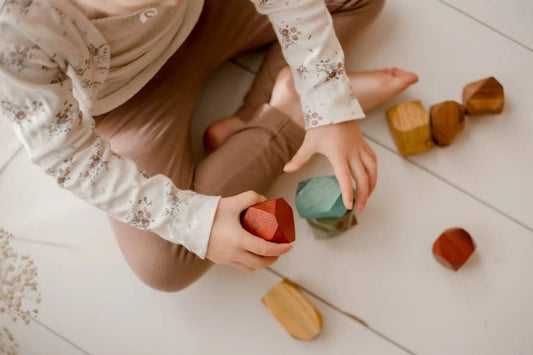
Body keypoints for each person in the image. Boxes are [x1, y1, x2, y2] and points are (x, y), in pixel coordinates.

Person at [0, 0, 418, 292]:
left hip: (210, 16)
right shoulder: (14, 31)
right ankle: (286, 115)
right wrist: (194, 221)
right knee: (163, 265)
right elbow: (66, 154)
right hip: (129, 105)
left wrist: (327, 97)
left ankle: (257, 117)